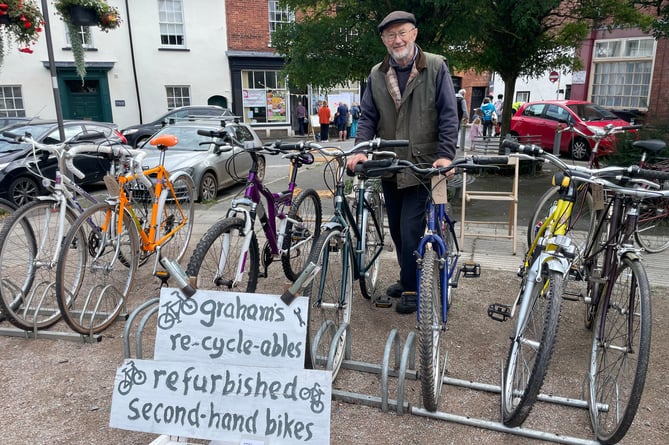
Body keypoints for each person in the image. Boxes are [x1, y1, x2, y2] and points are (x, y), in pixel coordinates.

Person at [346, 10, 458, 314]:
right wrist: (361, 149)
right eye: (390, 35)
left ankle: (413, 288)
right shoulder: (377, 73)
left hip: (424, 166)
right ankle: (408, 275)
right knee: (395, 228)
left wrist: (446, 154)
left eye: (402, 33)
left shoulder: (435, 67)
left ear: (414, 34)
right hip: (390, 165)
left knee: (410, 229)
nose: (397, 40)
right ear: (384, 40)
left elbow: (449, 115)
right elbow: (368, 117)